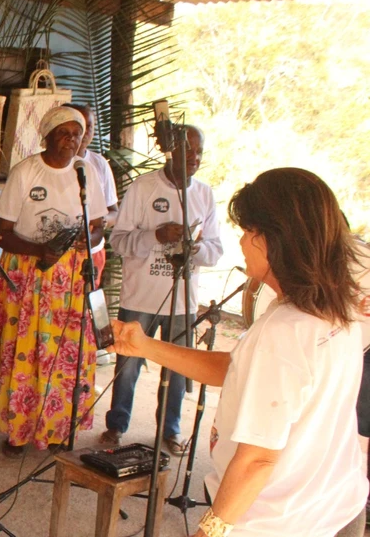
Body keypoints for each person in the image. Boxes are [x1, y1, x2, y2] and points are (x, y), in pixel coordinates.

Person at [107, 167, 367, 537]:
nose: (242, 242)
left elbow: (258, 457)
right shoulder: (327, 303)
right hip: (333, 504)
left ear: (275, 239)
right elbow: (238, 368)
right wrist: (145, 345)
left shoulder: (286, 331)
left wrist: (210, 531)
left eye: (248, 232)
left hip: (280, 523)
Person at [0, 106, 106, 457]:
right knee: (24, 352)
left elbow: (100, 224)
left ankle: (58, 429)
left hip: (71, 280)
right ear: (46, 136)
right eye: (63, 133)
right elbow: (2, 232)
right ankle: (18, 430)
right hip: (27, 273)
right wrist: (41, 249)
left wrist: (84, 239)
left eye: (76, 134)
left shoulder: (86, 171)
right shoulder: (26, 171)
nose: (71, 139)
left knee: (63, 356)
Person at [102, 125, 222, 455]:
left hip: (182, 300)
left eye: (199, 152)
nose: (194, 158)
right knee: (127, 367)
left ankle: (170, 430)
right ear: (169, 150)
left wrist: (192, 249)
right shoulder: (143, 188)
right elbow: (119, 242)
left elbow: (215, 249)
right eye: (186, 150)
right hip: (140, 295)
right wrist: (156, 236)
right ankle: (116, 424)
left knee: (179, 367)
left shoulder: (204, 194)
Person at [65, 104, 117, 283]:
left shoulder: (99, 163)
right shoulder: (49, 163)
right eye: (81, 126)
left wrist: (100, 221)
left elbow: (114, 212)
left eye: (90, 126)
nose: (85, 132)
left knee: (86, 305)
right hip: (57, 253)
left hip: (92, 251)